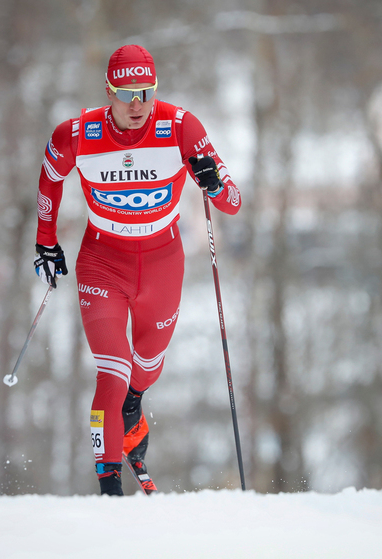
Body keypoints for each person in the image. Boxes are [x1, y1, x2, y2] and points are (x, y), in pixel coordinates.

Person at [33, 44, 241, 496]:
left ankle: (133, 405)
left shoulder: (182, 126)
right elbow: (51, 175)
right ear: (108, 91)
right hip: (102, 262)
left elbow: (234, 203)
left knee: (146, 367)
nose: (136, 104)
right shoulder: (77, 133)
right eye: (125, 93)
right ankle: (109, 490)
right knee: (113, 369)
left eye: (145, 92)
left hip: (163, 262)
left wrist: (213, 182)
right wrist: (45, 241)